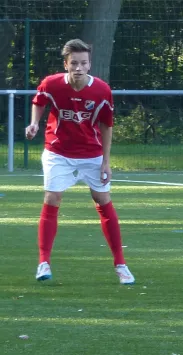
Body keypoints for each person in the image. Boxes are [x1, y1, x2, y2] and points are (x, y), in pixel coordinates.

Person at [25, 38, 135, 285]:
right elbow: (39, 102)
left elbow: (107, 126)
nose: (78, 67)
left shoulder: (101, 90)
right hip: (58, 151)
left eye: (83, 63)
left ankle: (121, 264)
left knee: (102, 199)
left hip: (91, 154)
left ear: (89, 64)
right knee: (52, 197)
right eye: (73, 63)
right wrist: (34, 123)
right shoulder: (51, 84)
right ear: (66, 64)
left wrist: (106, 162)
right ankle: (44, 262)